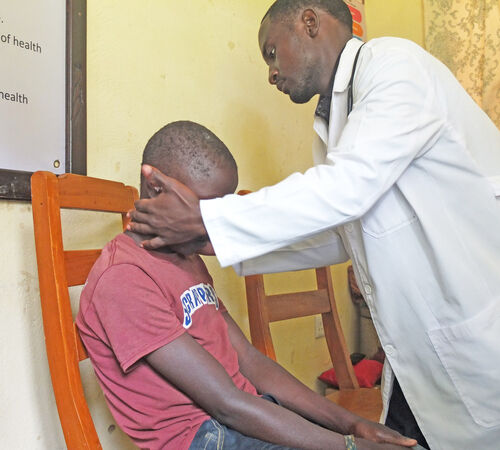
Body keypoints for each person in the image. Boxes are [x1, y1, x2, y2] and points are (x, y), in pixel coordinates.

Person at [127, 1, 500, 449]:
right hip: (423, 354)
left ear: (309, 22)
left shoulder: (395, 65)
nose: (271, 73)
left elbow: (346, 189)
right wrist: (210, 238)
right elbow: (342, 235)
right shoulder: (335, 121)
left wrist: (209, 218)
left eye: (271, 52)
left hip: (473, 331)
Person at [77, 120, 417, 450]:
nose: (215, 225)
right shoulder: (123, 278)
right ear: (156, 188)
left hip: (244, 414)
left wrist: (351, 425)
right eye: (207, 209)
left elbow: (251, 362)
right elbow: (226, 404)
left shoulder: (185, 257)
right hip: (208, 435)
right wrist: (349, 446)